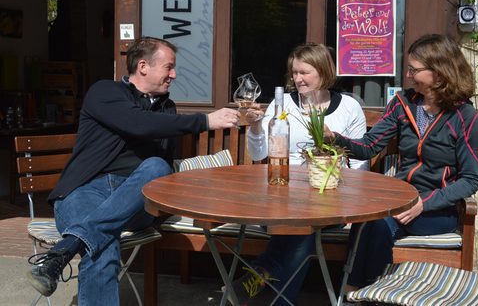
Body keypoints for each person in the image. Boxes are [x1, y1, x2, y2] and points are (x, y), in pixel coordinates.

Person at [26, 36, 240, 304]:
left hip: (136, 199)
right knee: (102, 246)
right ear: (143, 66)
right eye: (169, 67)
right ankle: (80, 243)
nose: (174, 74)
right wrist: (206, 120)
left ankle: (64, 251)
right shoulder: (105, 92)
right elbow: (138, 123)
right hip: (84, 191)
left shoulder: (166, 109)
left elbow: (160, 164)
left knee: (156, 166)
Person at [326, 34, 478, 294]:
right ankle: (357, 290)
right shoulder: (403, 103)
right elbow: (369, 146)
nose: (408, 76)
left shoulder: (465, 117)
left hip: (436, 211)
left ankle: (364, 291)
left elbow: (470, 179)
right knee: (367, 219)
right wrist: (335, 139)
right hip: (399, 200)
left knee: (376, 223)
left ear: (439, 71)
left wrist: (425, 203)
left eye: (414, 70)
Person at [231, 43, 368, 305]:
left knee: (303, 229)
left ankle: (258, 276)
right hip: (282, 193)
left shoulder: (349, 107)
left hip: (329, 194)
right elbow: (259, 153)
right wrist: (256, 126)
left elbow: (360, 162)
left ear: (323, 71)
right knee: (302, 229)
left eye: (304, 72)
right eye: (294, 73)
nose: (297, 79)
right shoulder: (282, 105)